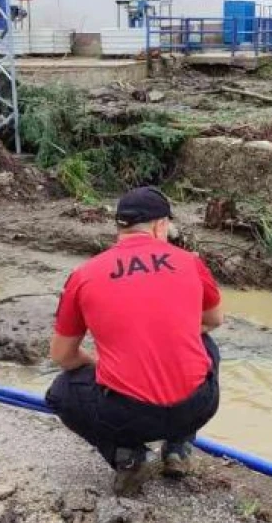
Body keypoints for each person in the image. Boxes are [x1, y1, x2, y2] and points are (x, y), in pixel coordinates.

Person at [45, 187, 224, 495]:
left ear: (120, 227)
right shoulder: (190, 262)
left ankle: (126, 457)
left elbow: (63, 356)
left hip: (125, 416)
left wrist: (101, 365)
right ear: (160, 226)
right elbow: (213, 321)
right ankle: (178, 447)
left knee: (61, 392)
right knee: (207, 348)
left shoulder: (84, 274)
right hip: (198, 405)